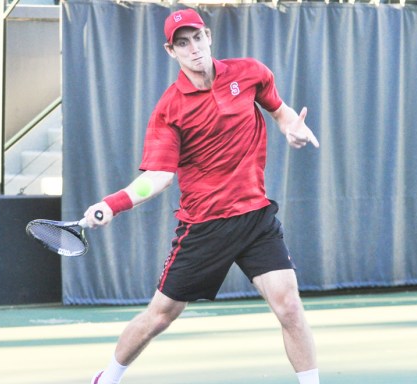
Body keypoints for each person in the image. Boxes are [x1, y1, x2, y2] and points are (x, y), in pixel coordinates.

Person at [84, 8, 320, 384]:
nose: (193, 48)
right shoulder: (169, 109)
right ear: (170, 51)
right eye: (182, 43)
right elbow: (158, 176)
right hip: (205, 227)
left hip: (256, 217)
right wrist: (112, 204)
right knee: (160, 316)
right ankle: (106, 378)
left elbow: (279, 111)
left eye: (197, 38)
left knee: (289, 305)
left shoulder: (250, 73)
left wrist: (292, 128)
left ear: (208, 36)